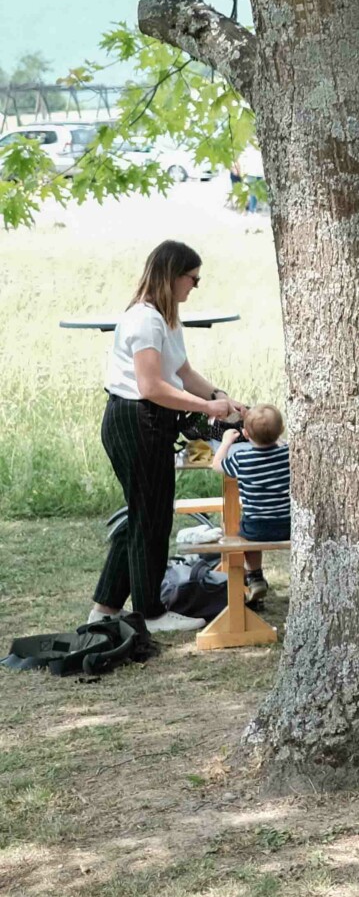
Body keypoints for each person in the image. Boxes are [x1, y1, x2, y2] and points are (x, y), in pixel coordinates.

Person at [93, 240, 243, 634]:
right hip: (135, 420)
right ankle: (151, 613)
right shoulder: (144, 320)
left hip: (151, 420)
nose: (196, 286)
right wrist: (203, 408)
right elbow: (150, 386)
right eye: (193, 278)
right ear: (174, 275)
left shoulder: (167, 318)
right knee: (150, 519)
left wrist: (219, 397)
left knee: (144, 515)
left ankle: (105, 607)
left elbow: (185, 371)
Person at [218, 404, 292, 603]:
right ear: (281, 430)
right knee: (251, 527)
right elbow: (283, 444)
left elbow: (217, 465)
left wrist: (226, 442)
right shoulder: (288, 454)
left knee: (245, 535)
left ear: (245, 433)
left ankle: (255, 576)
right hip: (288, 525)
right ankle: (256, 577)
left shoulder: (242, 458)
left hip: (256, 528)